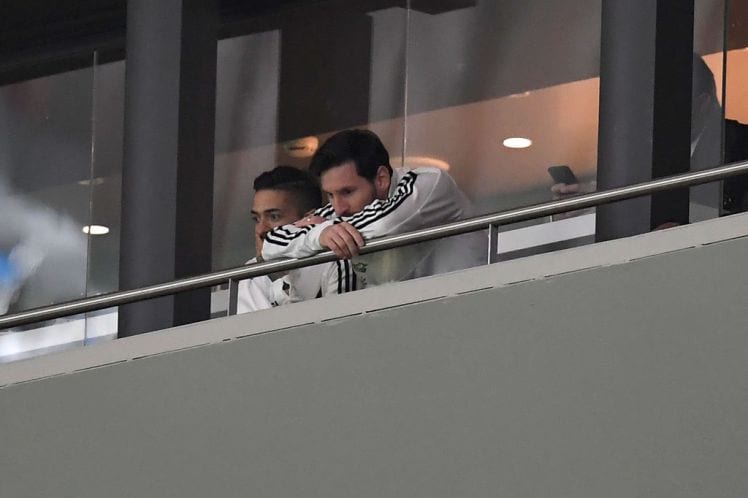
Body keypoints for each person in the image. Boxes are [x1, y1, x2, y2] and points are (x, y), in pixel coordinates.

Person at [262, 129, 484, 287]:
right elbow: (270, 246)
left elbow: (384, 224)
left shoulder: (430, 184)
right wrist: (320, 234)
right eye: (330, 195)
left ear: (381, 179)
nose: (337, 208)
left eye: (347, 192)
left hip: (468, 308)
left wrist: (323, 230)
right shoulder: (342, 211)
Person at [236, 166, 358, 313]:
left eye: (274, 217)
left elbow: (338, 326)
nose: (260, 229)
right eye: (256, 219)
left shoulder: (334, 258)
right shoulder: (250, 273)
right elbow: (257, 334)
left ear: (309, 220)